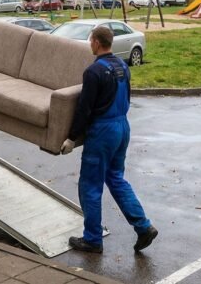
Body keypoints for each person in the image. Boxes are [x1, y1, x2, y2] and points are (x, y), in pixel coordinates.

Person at [61, 25, 157, 253]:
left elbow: (84, 109)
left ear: (95, 42)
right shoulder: (122, 66)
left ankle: (93, 239)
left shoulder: (93, 72)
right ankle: (143, 226)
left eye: (90, 40)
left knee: (90, 186)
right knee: (116, 178)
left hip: (103, 132)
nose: (89, 44)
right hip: (122, 126)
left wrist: (72, 138)